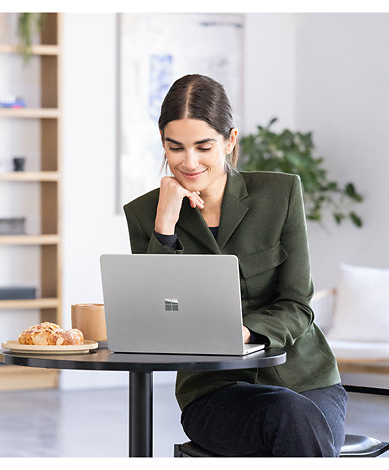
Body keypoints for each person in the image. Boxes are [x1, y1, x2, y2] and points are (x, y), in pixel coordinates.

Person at [122, 74, 347, 457]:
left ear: (230, 140)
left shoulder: (280, 194)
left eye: (203, 146)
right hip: (214, 392)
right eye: (175, 148)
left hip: (304, 381)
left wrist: (243, 332)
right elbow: (155, 319)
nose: (189, 162)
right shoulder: (146, 214)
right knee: (286, 420)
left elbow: (298, 305)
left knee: (292, 416)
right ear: (163, 143)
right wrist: (164, 226)